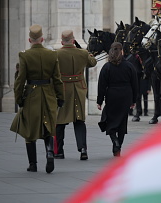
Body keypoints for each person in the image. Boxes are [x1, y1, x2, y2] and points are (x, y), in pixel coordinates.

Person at [10, 24, 64, 173]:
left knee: (30, 130)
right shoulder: (52, 55)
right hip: (48, 94)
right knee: (48, 127)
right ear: (42, 39)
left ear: (29, 39)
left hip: (31, 95)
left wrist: (19, 98)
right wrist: (61, 97)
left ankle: (33, 164)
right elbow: (57, 79)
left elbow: (20, 80)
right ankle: (49, 152)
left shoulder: (24, 55)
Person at [54, 30, 97, 160]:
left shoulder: (56, 54)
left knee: (60, 121)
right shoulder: (82, 53)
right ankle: (83, 149)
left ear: (62, 41)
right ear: (73, 40)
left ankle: (59, 151)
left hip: (63, 89)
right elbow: (92, 62)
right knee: (79, 120)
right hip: (79, 89)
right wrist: (85, 52)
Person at [97, 42, 139, 157]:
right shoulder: (129, 66)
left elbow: (101, 85)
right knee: (122, 122)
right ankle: (118, 147)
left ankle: (114, 141)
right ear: (122, 51)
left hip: (111, 95)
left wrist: (99, 101)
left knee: (110, 121)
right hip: (126, 96)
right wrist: (133, 100)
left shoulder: (107, 67)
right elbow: (135, 84)